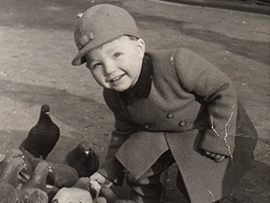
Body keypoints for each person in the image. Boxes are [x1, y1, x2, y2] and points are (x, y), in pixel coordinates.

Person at [71, 4, 257, 203]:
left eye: (116, 55)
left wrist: (220, 138)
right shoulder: (113, 96)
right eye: (97, 65)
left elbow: (223, 91)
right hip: (161, 132)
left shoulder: (178, 63)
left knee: (201, 184)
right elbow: (123, 132)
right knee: (136, 165)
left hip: (208, 127)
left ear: (139, 48)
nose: (109, 69)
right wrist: (109, 170)